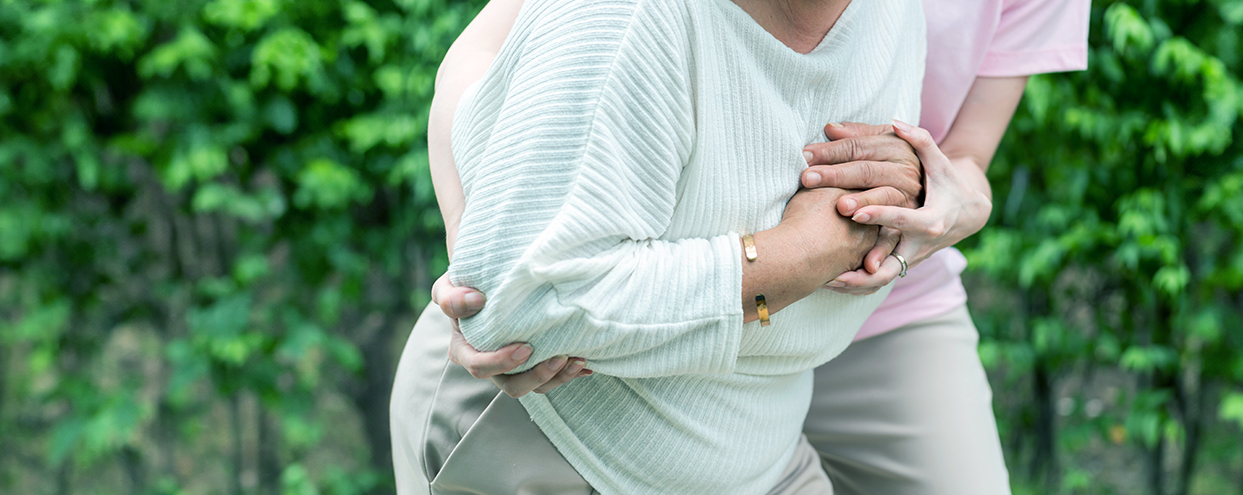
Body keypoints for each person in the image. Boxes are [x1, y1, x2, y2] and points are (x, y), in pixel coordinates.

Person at [389, 0, 935, 493]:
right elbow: (521, 305)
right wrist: (797, 256)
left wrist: (911, 183)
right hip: (559, 448)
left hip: (765, 453)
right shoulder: (624, 18)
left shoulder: (898, 16)